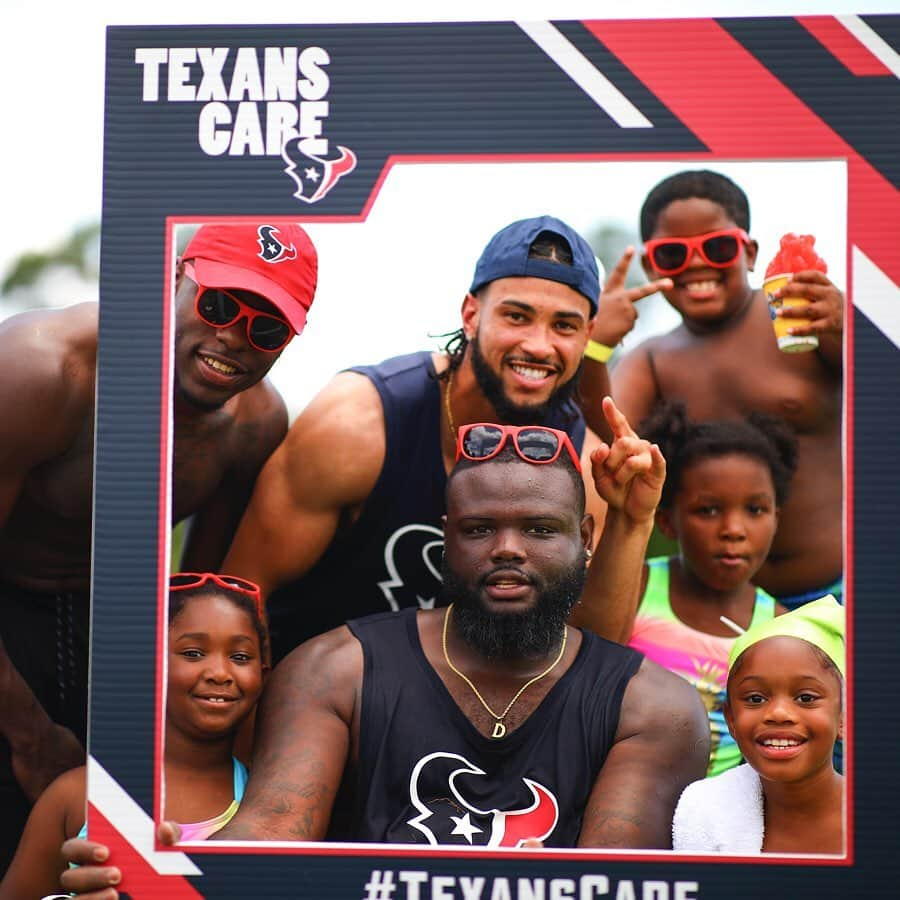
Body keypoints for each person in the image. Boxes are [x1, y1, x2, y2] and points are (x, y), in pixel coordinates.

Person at [58, 426, 709, 897]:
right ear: (446, 536)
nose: (508, 550)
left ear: (584, 540)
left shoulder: (658, 710)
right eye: (480, 529)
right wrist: (157, 883)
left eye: (540, 530)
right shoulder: (335, 669)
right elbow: (273, 834)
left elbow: (611, 883)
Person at [0, 222, 316, 871]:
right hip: (8, 602)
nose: (233, 338)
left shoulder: (256, 425)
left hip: (111, 630)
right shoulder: (44, 368)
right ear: (174, 280)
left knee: (108, 855)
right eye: (220, 304)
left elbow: (197, 599)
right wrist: (29, 735)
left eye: (266, 328)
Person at [222, 215, 665, 662]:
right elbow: (239, 602)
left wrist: (634, 520)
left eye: (564, 326)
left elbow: (596, 661)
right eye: (517, 316)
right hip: (321, 698)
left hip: (473, 720)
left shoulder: (585, 469)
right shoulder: (359, 423)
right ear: (471, 315)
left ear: (588, 335)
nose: (538, 344)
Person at [580, 170, 843, 609]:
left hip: (829, 596)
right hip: (711, 613)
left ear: (750, 252)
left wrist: (850, 327)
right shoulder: (653, 360)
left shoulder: (803, 320)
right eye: (672, 255)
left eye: (718, 248)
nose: (697, 264)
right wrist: (593, 347)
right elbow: (606, 440)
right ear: (650, 266)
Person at [0, 572, 269, 899]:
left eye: (240, 657)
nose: (219, 673)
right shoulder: (76, 796)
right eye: (193, 653)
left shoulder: (264, 802)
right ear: (148, 664)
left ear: (263, 673)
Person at [615, 401, 797, 776]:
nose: (733, 529)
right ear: (666, 520)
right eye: (709, 510)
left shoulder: (780, 627)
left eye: (756, 510)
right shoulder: (636, 587)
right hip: (626, 792)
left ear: (777, 520)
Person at [672, 595, 844, 854]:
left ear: (844, 717)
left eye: (806, 698)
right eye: (755, 698)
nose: (778, 713)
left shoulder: (880, 823)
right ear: (730, 719)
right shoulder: (705, 813)